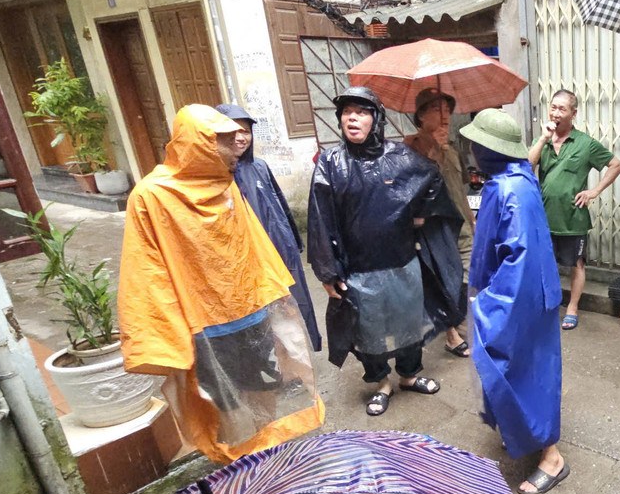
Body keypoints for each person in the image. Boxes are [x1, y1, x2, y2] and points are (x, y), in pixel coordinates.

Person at [118, 103, 324, 464]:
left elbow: (254, 245)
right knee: (222, 402)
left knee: (263, 385)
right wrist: (160, 332)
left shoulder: (226, 183)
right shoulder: (151, 196)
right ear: (198, 145)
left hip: (251, 314)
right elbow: (146, 270)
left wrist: (276, 299)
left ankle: (269, 449)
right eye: (224, 142)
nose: (236, 149)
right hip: (204, 326)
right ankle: (238, 462)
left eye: (237, 139)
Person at [305, 87, 463, 418]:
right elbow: (320, 219)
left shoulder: (401, 157)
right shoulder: (332, 163)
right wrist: (327, 272)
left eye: (361, 112)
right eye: (347, 112)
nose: (352, 117)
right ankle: (381, 383)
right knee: (369, 330)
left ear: (376, 119)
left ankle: (408, 375)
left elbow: (432, 178)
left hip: (403, 261)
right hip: (359, 268)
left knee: (408, 324)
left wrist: (421, 213)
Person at [458, 108, 568, 494]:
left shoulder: (508, 189)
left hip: (518, 299)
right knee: (527, 370)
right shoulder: (515, 180)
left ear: (486, 149)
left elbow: (516, 257)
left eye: (474, 142)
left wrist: (491, 305)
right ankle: (521, 432)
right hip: (530, 295)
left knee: (521, 372)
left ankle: (552, 458)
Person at [215, 103, 322, 353]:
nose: (241, 137)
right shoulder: (218, 174)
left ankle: (293, 365)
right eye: (233, 131)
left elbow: (281, 207)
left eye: (246, 131)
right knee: (259, 316)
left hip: (280, 252)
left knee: (288, 310)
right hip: (247, 259)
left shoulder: (259, 167)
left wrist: (294, 243)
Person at [527, 89, 620, 330]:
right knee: (542, 264)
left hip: (573, 217)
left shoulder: (585, 144)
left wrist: (595, 190)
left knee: (576, 264)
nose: (556, 113)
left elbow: (616, 165)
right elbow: (527, 166)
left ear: (573, 113)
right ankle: (547, 304)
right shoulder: (544, 141)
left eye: (562, 109)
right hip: (544, 217)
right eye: (553, 107)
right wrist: (542, 139)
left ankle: (572, 307)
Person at [404, 87, 472, 358]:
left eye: (447, 109)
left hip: (463, 226)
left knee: (467, 278)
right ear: (420, 116)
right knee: (443, 281)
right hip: (434, 231)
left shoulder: (453, 147)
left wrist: (472, 219)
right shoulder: (408, 148)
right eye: (436, 109)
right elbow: (412, 190)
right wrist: (433, 152)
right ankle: (451, 333)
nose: (444, 116)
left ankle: (458, 323)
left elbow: (460, 188)